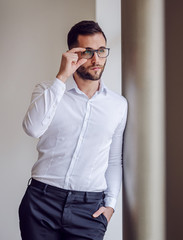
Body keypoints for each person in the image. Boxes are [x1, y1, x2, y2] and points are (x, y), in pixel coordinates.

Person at [19, 20, 127, 240]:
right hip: (42, 202)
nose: (97, 59)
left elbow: (114, 158)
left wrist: (111, 205)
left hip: (89, 210)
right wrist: (62, 76)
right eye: (88, 52)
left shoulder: (118, 105)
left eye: (101, 51)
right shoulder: (48, 90)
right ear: (73, 54)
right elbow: (32, 128)